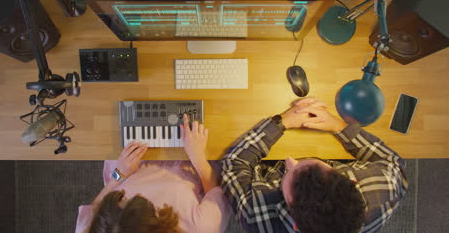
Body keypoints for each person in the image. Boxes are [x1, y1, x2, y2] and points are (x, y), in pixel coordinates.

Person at [221, 97, 408, 233]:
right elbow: (394, 162)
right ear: (352, 182)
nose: (289, 160)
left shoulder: (256, 219)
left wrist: (282, 122)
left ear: (296, 225)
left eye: (288, 173)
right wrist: (339, 126)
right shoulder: (386, 190)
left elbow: (232, 164)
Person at [75, 114, 230, 233]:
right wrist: (198, 157)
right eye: (129, 200)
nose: (135, 194)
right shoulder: (202, 227)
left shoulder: (93, 227)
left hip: (129, 169)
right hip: (192, 166)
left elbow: (97, 204)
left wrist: (119, 174)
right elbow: (215, 191)